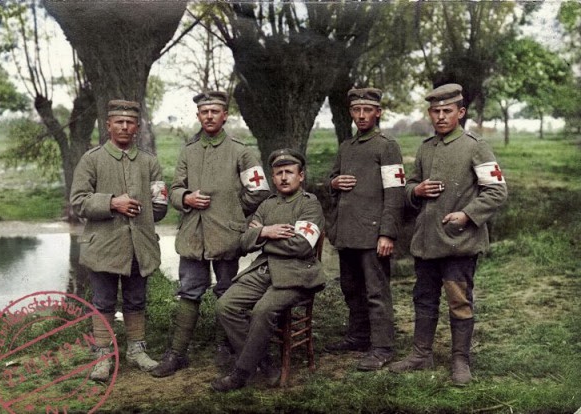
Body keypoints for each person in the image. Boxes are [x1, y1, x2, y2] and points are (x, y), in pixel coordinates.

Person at [389, 84, 508, 385]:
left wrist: (467, 215)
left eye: (447, 111)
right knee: (424, 299)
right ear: (429, 113)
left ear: (460, 112)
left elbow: (496, 190)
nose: (440, 117)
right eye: (435, 111)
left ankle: (460, 360)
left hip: (459, 243)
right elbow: (408, 188)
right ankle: (420, 353)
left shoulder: (475, 146)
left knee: (459, 300)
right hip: (426, 242)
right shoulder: (426, 147)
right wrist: (415, 190)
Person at [152, 91, 270, 377]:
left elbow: (260, 190)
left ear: (224, 115)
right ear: (198, 116)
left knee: (226, 292)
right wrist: (186, 199)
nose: (209, 116)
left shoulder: (241, 151)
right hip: (193, 235)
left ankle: (225, 348)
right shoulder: (188, 151)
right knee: (189, 291)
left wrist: (233, 211)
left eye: (214, 112)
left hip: (227, 236)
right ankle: (177, 353)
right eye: (204, 112)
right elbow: (175, 188)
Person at [210, 148, 326, 392]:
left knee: (263, 310)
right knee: (226, 305)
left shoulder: (309, 205)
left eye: (289, 172)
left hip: (297, 274)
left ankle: (241, 373)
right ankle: (264, 363)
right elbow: (243, 241)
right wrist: (265, 231)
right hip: (265, 271)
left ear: (301, 176)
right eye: (278, 173)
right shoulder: (267, 204)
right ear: (272, 178)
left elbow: (302, 245)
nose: (284, 177)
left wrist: (262, 237)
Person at [70, 99, 168, 381]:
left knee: (136, 300)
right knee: (103, 302)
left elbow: (160, 206)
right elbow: (78, 202)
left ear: (137, 127)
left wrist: (152, 207)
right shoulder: (92, 159)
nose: (124, 126)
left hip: (140, 246)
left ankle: (136, 350)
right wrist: (113, 203)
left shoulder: (149, 162)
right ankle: (102, 355)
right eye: (119, 122)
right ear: (108, 125)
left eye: (130, 122)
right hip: (103, 247)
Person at [323, 87, 405, 371]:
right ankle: (359, 337)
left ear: (377, 112)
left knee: (376, 292)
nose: (361, 115)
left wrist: (387, 233)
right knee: (351, 288)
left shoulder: (386, 146)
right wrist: (334, 184)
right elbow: (331, 179)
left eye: (367, 110)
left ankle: (382, 347)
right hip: (348, 233)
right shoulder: (347, 146)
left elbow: (395, 193)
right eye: (356, 110)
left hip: (373, 235)